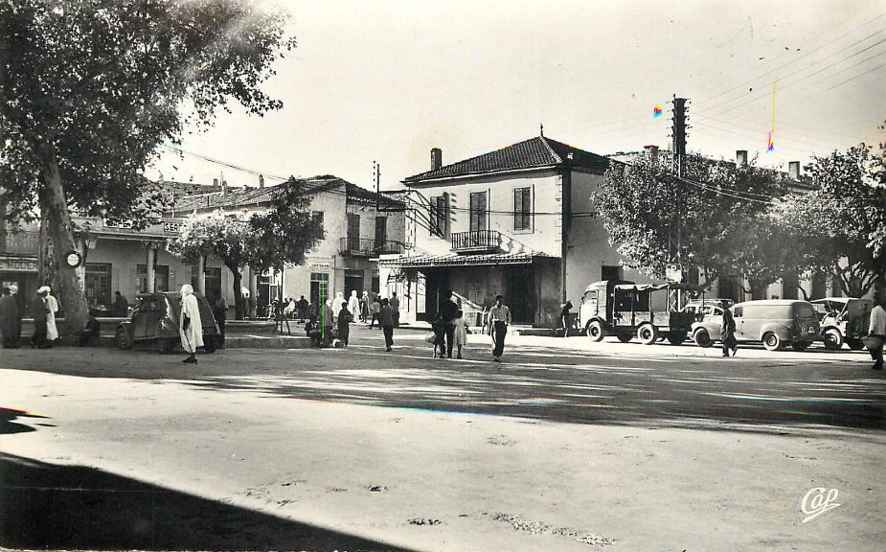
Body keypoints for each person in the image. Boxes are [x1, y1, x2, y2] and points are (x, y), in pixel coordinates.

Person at [179, 284, 203, 364]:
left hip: (189, 322)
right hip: (195, 321)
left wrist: (184, 325)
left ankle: (192, 356)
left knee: (189, 338)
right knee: (192, 338)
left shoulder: (186, 299)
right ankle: (192, 355)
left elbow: (186, 313)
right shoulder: (193, 298)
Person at [486, 294, 511, 362]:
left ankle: (499, 355)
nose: (500, 302)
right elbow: (489, 319)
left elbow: (509, 316)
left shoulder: (505, 308)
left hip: (502, 325)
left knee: (501, 341)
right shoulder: (493, 309)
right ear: (496, 301)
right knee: (495, 341)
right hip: (495, 325)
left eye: (501, 301)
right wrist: (488, 329)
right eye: (499, 301)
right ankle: (495, 355)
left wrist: (507, 323)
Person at [868, 294, 886, 371]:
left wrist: (871, 331)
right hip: (883, 332)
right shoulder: (883, 310)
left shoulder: (874, 310)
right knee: (879, 348)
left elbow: (873, 321)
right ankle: (879, 361)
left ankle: (879, 362)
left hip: (876, 332)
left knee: (875, 348)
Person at [441, 289, 459, 358]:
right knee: (450, 339)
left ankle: (442, 352)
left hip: (443, 323)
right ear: (451, 296)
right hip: (451, 323)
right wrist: (452, 320)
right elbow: (456, 315)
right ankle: (449, 354)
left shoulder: (442, 304)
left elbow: (440, 314)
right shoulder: (454, 305)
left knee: (441, 338)